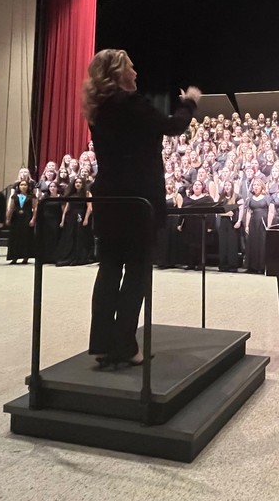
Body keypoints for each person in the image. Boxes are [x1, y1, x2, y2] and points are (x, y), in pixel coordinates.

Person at [83, 49, 200, 368]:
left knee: (109, 269)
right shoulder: (131, 104)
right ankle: (125, 345)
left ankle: (103, 345)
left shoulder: (98, 108)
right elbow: (172, 126)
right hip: (138, 200)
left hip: (108, 198)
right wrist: (189, 102)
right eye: (131, 68)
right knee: (137, 270)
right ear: (118, 73)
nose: (135, 73)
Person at [55, 177, 94, 266]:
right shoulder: (71, 194)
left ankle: (79, 257)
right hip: (71, 217)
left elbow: (89, 207)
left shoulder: (87, 193)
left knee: (79, 236)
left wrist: (86, 219)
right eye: (76, 182)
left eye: (80, 182)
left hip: (81, 216)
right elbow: (67, 208)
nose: (78, 184)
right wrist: (62, 220)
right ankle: (70, 256)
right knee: (70, 236)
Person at [5, 180, 37, 264]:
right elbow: (11, 208)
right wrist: (8, 218)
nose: (23, 186)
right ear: (18, 187)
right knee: (15, 237)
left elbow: (35, 208)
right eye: (21, 185)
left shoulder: (31, 196)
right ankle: (14, 257)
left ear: (28, 186)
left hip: (27, 217)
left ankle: (25, 257)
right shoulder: (15, 196)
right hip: (16, 218)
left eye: (25, 185)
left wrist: (33, 219)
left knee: (26, 237)